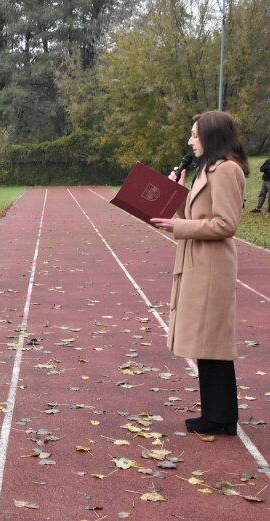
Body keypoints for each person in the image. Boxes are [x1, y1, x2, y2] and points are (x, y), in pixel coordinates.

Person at [151, 110, 248, 436]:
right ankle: (215, 414)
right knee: (206, 343)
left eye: (195, 134)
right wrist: (177, 193)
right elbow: (195, 212)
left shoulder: (226, 170)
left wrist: (177, 226)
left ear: (210, 136)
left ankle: (221, 418)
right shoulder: (208, 169)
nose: (191, 140)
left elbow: (226, 223)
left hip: (212, 265)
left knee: (214, 343)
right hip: (198, 261)